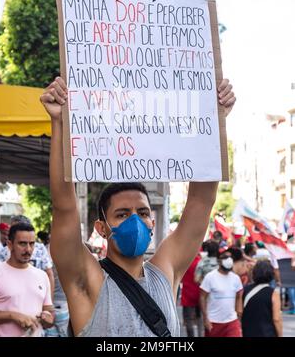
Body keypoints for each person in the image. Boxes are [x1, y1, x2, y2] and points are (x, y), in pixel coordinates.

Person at [40, 76, 235, 337]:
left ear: (152, 221)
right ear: (101, 227)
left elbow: (201, 200)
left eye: (143, 213)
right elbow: (64, 207)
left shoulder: (165, 272)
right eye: (122, 214)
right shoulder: (88, 278)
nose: (136, 220)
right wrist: (59, 122)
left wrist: (214, 119)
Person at [0, 223, 54, 337]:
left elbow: (49, 315)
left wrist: (47, 318)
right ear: (9, 245)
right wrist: (12, 316)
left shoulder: (42, 276)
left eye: (32, 244)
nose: (28, 249)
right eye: (22, 244)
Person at [0, 215, 55, 300]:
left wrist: (49, 301)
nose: (28, 249)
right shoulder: (3, 252)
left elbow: (49, 274)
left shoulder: (40, 248)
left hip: (36, 296)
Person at [200, 249, 243, 337]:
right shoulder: (210, 277)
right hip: (214, 322)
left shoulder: (236, 278)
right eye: (226, 257)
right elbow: (202, 297)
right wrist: (205, 318)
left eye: (230, 258)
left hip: (232, 322)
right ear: (219, 262)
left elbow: (239, 295)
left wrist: (239, 312)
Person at [241, 261, 283, 337]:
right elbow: (276, 319)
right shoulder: (273, 294)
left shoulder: (245, 290)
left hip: (247, 332)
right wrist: (280, 335)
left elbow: (240, 312)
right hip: (267, 333)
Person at [180, 254, 202, 337]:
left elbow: (180, 278)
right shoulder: (200, 261)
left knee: (188, 320)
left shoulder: (185, 262)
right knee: (200, 317)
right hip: (200, 294)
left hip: (187, 294)